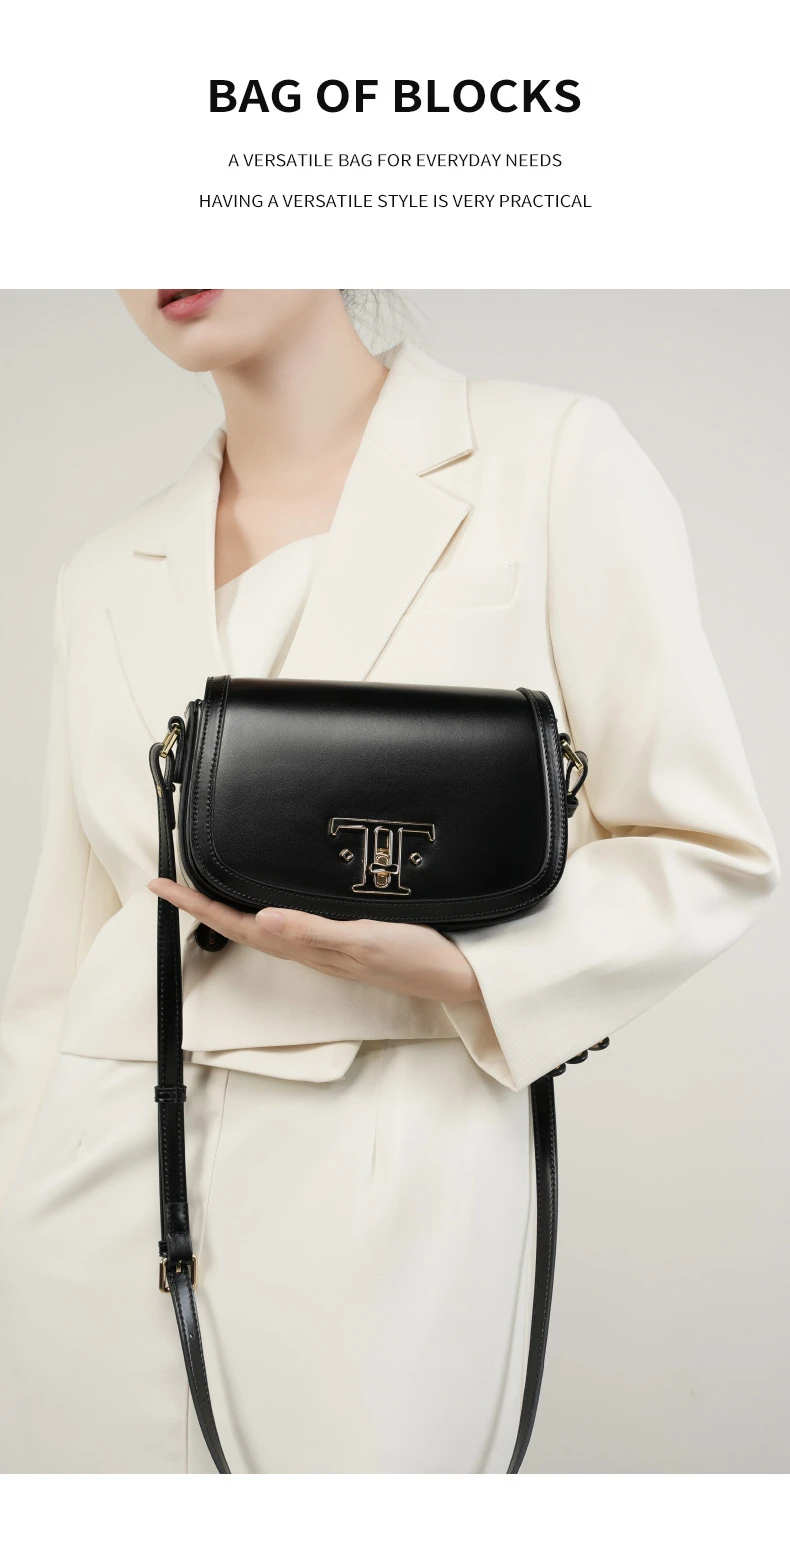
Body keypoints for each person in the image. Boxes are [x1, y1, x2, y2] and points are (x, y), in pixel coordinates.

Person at [0, 289, 778, 1473]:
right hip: (104, 1167)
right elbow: (63, 947)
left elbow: (705, 843)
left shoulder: (546, 457)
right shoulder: (104, 570)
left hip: (393, 1163)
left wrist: (466, 965)